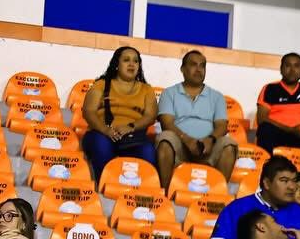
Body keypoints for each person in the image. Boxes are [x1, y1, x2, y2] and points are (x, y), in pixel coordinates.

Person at [208, 156, 300, 239]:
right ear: (266, 183)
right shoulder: (239, 207)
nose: (292, 187)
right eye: (284, 180)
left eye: (294, 181)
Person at [155, 49, 236, 188]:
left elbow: (221, 126)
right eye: (193, 64)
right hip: (179, 146)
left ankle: (218, 194)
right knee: (165, 138)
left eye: (202, 65)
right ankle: (165, 192)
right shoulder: (169, 93)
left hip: (208, 147)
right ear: (183, 69)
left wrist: (210, 140)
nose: (198, 69)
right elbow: (167, 123)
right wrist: (187, 140)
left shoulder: (216, 97)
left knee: (228, 144)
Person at [80, 45, 156, 180]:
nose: (132, 64)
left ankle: (142, 191)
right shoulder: (101, 85)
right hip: (102, 134)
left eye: (136, 61)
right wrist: (106, 130)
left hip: (133, 137)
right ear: (116, 64)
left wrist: (131, 127)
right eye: (126, 60)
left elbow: (150, 116)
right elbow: (88, 111)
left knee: (148, 151)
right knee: (101, 145)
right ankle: (106, 184)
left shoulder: (147, 90)